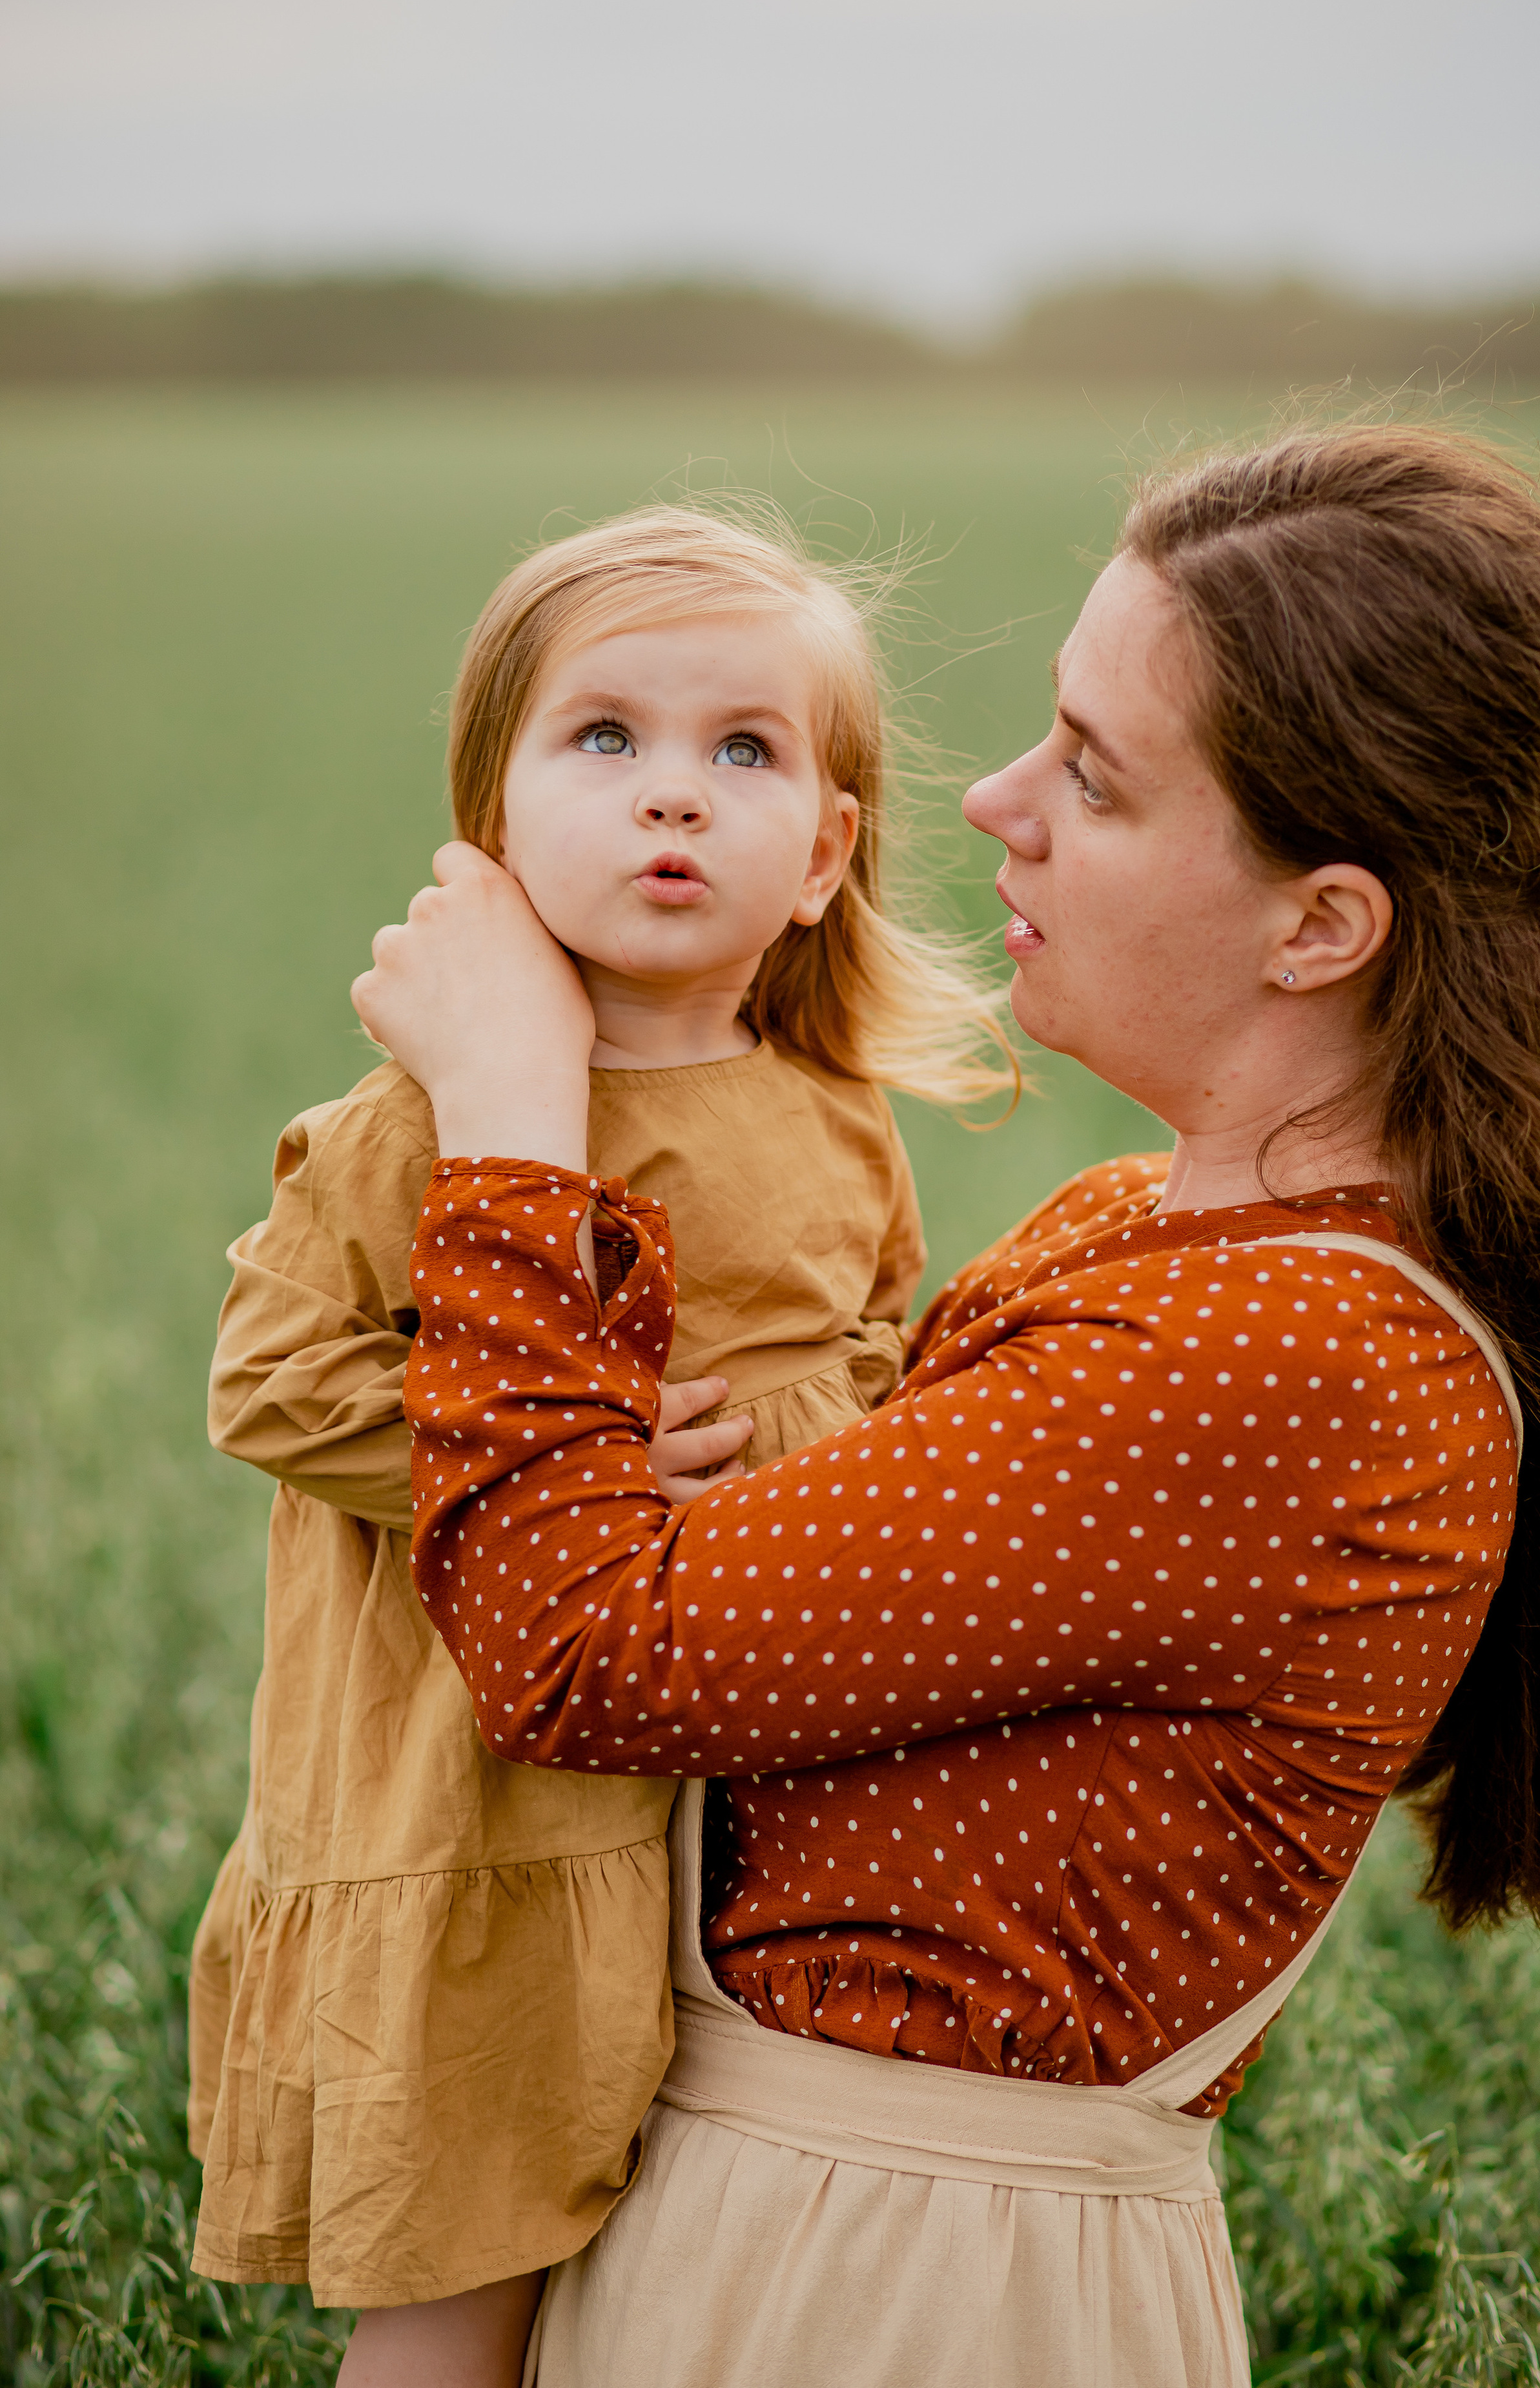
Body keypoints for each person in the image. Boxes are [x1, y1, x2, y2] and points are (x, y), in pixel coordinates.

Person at [353, 426, 1540, 2388]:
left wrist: (519, 1134)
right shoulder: (1152, 1230)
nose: (993, 801)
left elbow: (586, 1651)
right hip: (786, 2225)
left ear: (1323, 924)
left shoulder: (1300, 1362)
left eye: (1095, 778)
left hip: (902, 2296)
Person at [187, 506, 1011, 2386]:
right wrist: (579, 1452)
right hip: (494, 1796)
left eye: (744, 751)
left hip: (747, 1765)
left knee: (685, 2262)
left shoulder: (832, 1114)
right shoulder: (417, 1127)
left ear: (825, 856)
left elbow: (871, 1341)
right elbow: (272, 1379)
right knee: (470, 2281)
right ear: (492, 830)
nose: (675, 797)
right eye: (605, 739)